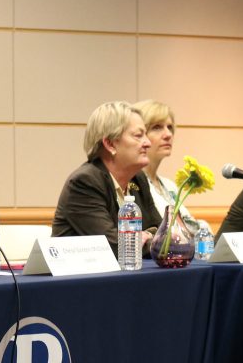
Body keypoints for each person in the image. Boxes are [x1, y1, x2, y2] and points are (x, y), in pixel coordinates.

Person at [52, 101, 162, 255]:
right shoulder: (84, 182)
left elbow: (164, 233)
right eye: (138, 135)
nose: (148, 143)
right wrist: (148, 238)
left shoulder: (138, 179)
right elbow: (115, 246)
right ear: (110, 144)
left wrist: (148, 236)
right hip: (83, 277)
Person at [133, 99, 210, 236]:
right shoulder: (133, 185)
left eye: (170, 127)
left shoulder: (169, 185)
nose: (168, 134)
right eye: (157, 127)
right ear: (139, 135)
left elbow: (192, 227)